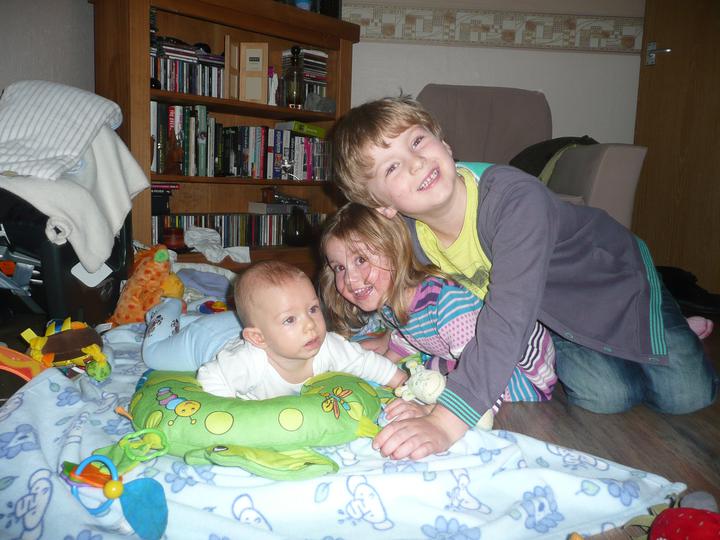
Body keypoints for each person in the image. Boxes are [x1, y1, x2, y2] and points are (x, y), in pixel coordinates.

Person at [330, 95, 717, 460]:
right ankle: (635, 344)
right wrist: (376, 337)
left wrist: (445, 422)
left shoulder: (514, 200)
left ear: (444, 144)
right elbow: (392, 285)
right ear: (382, 206)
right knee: (604, 397)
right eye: (392, 167)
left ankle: (668, 320)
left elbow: (505, 320)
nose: (415, 162)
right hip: (553, 316)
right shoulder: (410, 234)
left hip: (616, 284)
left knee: (685, 396)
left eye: (417, 141)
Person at [319, 202, 558, 425]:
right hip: (466, 353)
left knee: (439, 385)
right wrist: (374, 367)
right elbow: (409, 336)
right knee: (421, 372)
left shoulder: (448, 304)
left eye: (361, 260)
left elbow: (485, 373)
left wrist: (432, 412)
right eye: (339, 267)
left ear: (395, 249)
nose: (349, 279)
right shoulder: (391, 302)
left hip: (519, 372)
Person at [196, 260, 407, 399]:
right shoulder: (248, 362)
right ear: (259, 338)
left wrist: (400, 381)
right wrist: (231, 413)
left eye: (313, 309)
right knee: (178, 345)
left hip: (250, 330)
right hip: (210, 338)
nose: (310, 324)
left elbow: (364, 362)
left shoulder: (328, 346)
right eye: (290, 319)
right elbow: (210, 378)